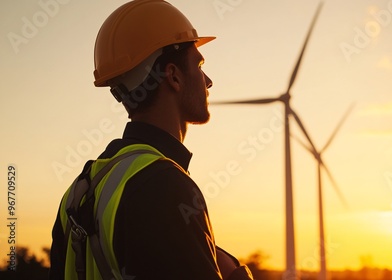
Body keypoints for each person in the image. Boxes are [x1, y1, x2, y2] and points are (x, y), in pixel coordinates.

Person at [49, 0, 254, 279]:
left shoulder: (78, 193)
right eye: (199, 64)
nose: (208, 81)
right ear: (173, 76)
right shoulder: (166, 186)